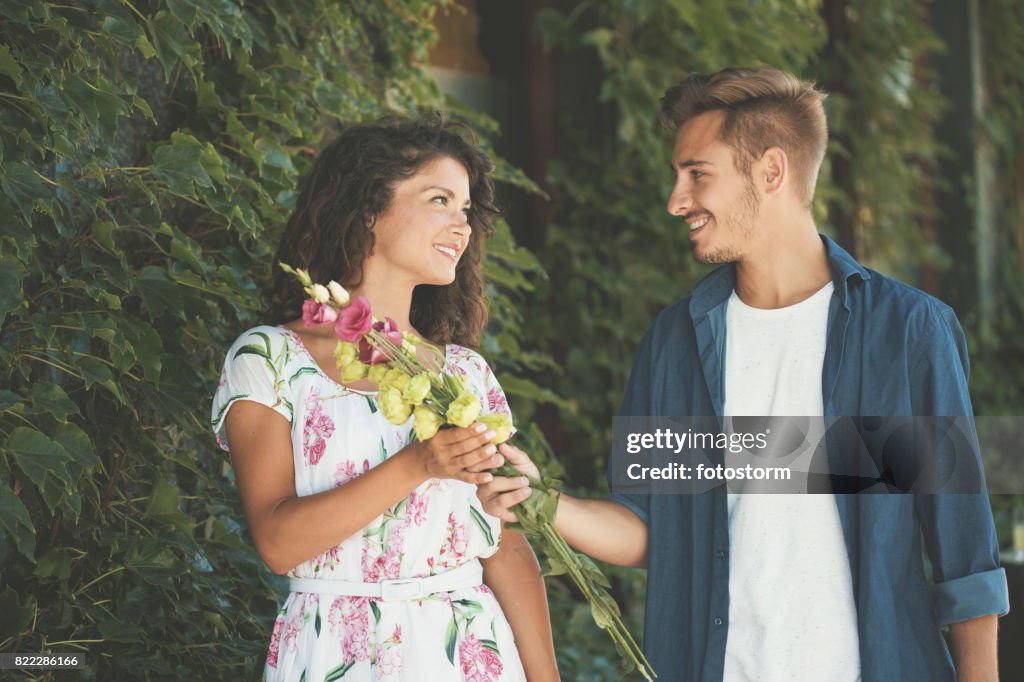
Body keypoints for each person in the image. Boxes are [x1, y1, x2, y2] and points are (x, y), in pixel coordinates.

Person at [478, 66, 1010, 681]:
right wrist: (541, 500)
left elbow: (963, 551)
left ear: (771, 171)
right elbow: (651, 527)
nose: (676, 200)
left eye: (697, 174)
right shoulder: (673, 343)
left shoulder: (909, 332)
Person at [211, 119, 559, 682]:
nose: (461, 225)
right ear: (369, 208)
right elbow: (276, 543)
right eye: (440, 200)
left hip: (471, 652)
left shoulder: (466, 374)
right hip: (335, 651)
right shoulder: (271, 360)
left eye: (466, 209)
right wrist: (419, 464)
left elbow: (502, 545)